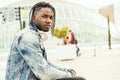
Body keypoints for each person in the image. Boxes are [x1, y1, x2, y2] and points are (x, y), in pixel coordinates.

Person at [5, 2, 76, 80]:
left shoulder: (33, 34)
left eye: (51, 17)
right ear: (34, 17)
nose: (49, 21)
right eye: (44, 16)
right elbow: (44, 73)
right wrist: (68, 75)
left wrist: (65, 70)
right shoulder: (28, 37)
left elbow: (44, 63)